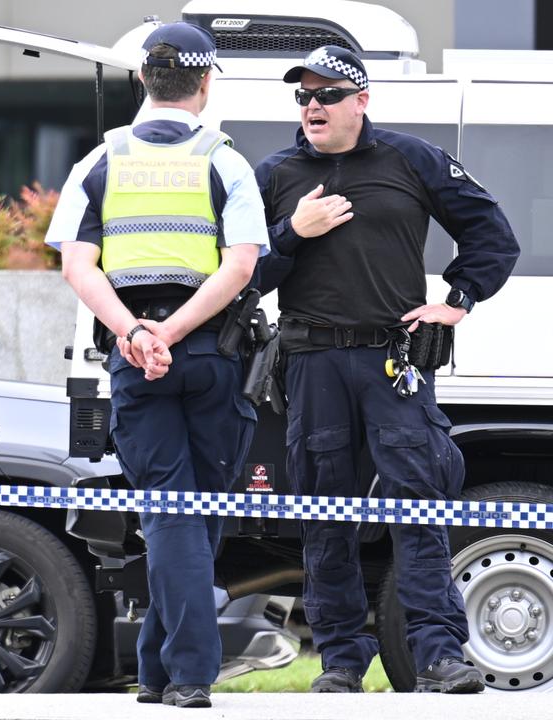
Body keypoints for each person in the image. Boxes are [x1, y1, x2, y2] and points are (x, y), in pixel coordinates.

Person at [256, 46, 520, 694]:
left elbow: (493, 236)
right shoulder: (276, 174)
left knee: (419, 504)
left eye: (327, 94)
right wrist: (292, 230)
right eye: (304, 96)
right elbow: (245, 275)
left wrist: (456, 300)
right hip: (313, 363)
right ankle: (342, 661)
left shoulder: (412, 159)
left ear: (361, 100)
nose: (312, 106)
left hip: (392, 359)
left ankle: (437, 655)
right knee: (325, 514)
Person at [46, 23, 267, 709]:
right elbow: (242, 264)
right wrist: (170, 331)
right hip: (209, 355)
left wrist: (136, 333)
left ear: (143, 79)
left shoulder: (98, 162)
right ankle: (192, 673)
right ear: (206, 84)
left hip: (135, 354)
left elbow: (76, 265)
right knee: (190, 512)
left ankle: (154, 669)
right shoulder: (225, 161)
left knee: (177, 512)